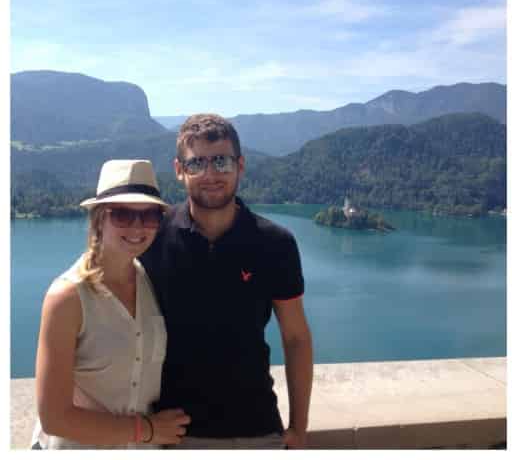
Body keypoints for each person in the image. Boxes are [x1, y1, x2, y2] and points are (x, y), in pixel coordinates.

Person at [141, 115, 313, 448]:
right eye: (196, 164)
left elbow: (296, 338)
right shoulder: (154, 236)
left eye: (221, 161)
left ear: (240, 165)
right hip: (173, 432)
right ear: (179, 170)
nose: (210, 174)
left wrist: (299, 427)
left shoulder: (275, 243)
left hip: (257, 428)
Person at [33, 160, 190, 448]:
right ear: (99, 219)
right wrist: (149, 430)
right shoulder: (67, 298)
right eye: (122, 214)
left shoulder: (152, 282)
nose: (137, 226)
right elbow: (53, 417)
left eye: (150, 216)